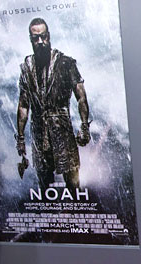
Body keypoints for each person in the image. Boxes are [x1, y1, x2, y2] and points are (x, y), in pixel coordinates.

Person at [16, 17, 91, 192]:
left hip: (62, 129)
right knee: (44, 184)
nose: (40, 42)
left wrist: (84, 126)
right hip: (39, 132)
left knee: (73, 183)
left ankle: (76, 206)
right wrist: (20, 138)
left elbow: (81, 97)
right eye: (36, 38)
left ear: (48, 36)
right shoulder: (27, 67)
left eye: (43, 37)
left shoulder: (65, 63)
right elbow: (23, 105)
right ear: (31, 40)